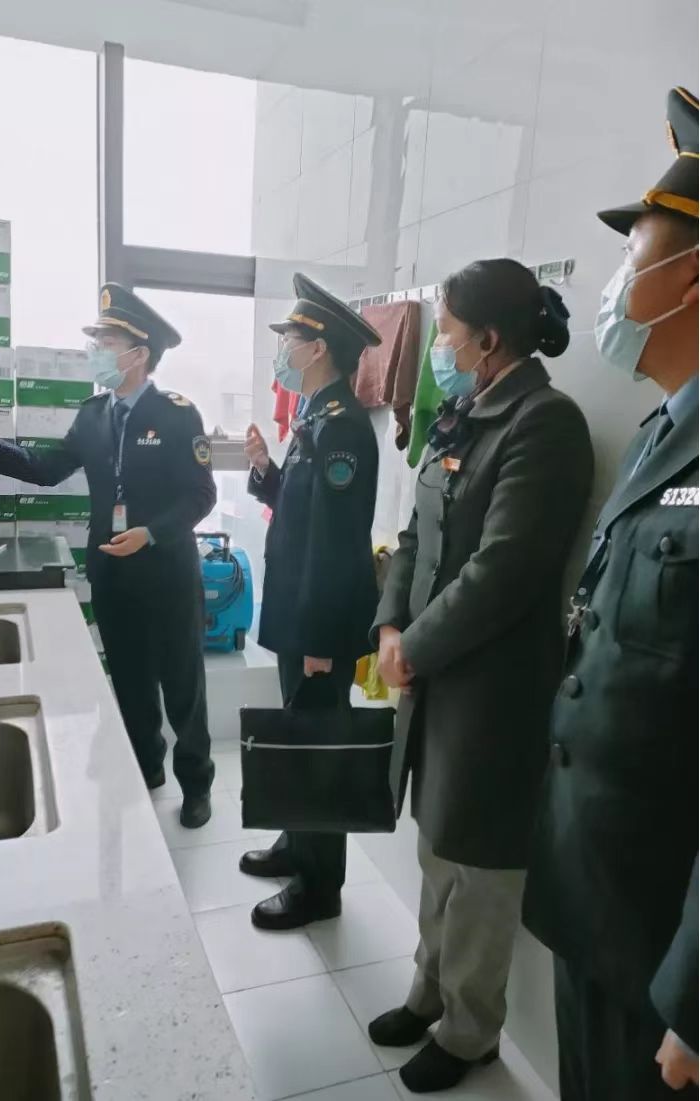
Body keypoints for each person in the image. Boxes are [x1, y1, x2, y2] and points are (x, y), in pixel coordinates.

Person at [368, 259, 594, 1093]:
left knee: (482, 870)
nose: (441, 349)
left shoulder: (546, 424)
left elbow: (505, 569)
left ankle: (470, 1031)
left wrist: (414, 646)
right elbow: (414, 536)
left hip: (493, 693)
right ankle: (427, 992)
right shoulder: (462, 414)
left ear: (489, 341)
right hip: (432, 671)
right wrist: (391, 624)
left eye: (449, 335)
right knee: (436, 848)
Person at [523, 86, 699, 1101]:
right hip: (598, 894)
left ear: (691, 280)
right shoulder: (661, 433)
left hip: (665, 943)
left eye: (633, 256)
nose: (616, 287)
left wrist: (696, 996)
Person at [0, 283, 216, 829]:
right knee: (130, 682)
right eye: (95, 339)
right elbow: (48, 469)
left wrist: (150, 533)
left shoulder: (177, 414)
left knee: (183, 686)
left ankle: (197, 783)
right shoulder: (94, 414)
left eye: (105, 341)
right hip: (113, 574)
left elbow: (200, 496)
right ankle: (146, 767)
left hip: (166, 574)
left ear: (138, 354)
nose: (95, 350)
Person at [239, 273, 381, 931]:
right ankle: (297, 846)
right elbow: (302, 512)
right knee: (301, 736)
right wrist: (265, 471)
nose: (284, 349)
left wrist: (322, 642)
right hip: (300, 615)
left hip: (317, 624)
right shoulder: (315, 416)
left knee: (320, 749)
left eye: (290, 338)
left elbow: (337, 542)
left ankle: (320, 888)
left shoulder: (343, 426)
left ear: (318, 347)